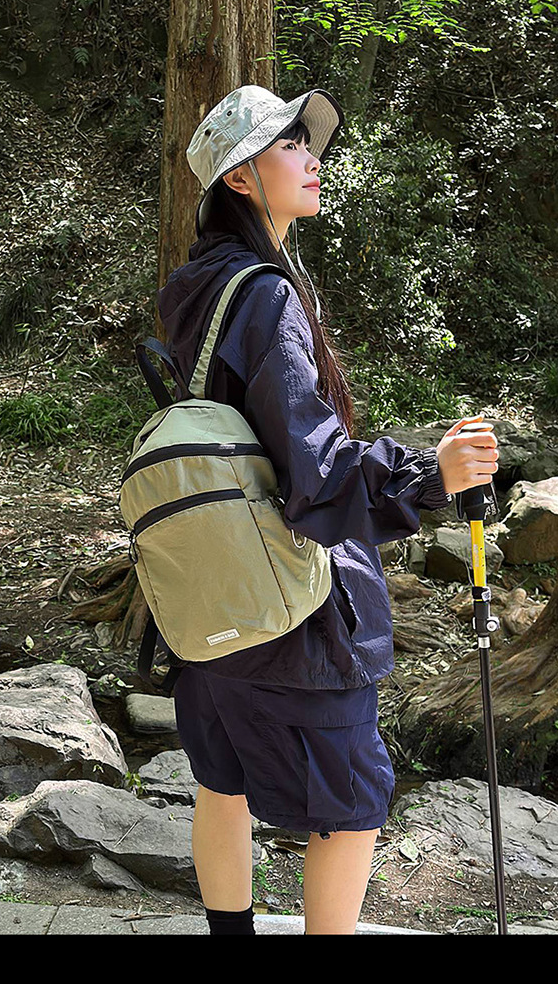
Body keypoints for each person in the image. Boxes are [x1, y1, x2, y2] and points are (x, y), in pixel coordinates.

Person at [156, 85, 499, 935]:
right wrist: (430, 475)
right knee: (352, 807)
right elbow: (314, 478)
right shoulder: (267, 295)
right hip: (288, 609)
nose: (312, 159)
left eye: (310, 143)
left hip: (206, 600)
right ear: (240, 179)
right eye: (289, 145)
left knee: (222, 783)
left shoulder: (196, 288)